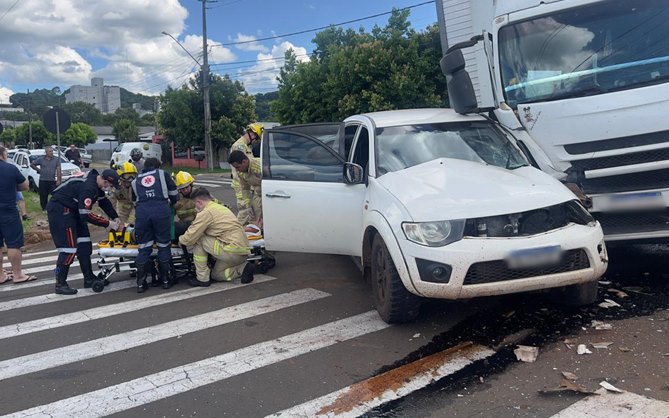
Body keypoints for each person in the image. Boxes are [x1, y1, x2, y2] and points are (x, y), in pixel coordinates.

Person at [47, 169, 122, 295]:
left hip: (74, 210)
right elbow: (86, 215)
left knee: (85, 243)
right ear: (104, 181)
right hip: (61, 210)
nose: (109, 187)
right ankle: (60, 283)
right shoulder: (89, 187)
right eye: (109, 185)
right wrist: (108, 223)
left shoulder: (96, 183)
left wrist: (115, 217)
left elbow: (104, 202)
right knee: (68, 249)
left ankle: (89, 278)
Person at [179, 187, 254, 286]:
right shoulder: (220, 208)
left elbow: (190, 237)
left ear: (199, 202)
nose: (196, 207)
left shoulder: (206, 212)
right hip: (242, 252)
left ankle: (202, 278)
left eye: (195, 204)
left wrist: (180, 240)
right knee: (216, 275)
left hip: (231, 251)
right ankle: (242, 269)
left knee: (198, 239)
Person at [132, 157, 179, 293]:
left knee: (144, 247)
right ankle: (165, 280)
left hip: (142, 214)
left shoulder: (136, 181)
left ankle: (140, 284)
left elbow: (134, 201)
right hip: (160, 211)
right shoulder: (162, 174)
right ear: (158, 166)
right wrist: (172, 202)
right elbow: (174, 193)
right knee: (163, 245)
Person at [0, 146, 35, 285]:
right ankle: (17, 274)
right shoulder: (10, 168)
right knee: (13, 244)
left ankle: (1, 275)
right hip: (8, 210)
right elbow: (25, 186)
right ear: (3, 155)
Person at [227, 150, 262, 227]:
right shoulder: (241, 172)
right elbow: (245, 188)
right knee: (255, 218)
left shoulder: (259, 166)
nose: (237, 170)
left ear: (244, 161)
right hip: (258, 194)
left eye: (237, 167)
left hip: (269, 192)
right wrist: (248, 205)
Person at [31, 147, 62, 211]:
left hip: (52, 180)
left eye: (52, 151)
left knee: (55, 194)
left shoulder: (56, 159)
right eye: (50, 151)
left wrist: (59, 180)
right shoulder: (41, 159)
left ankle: (54, 207)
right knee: (43, 195)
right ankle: (44, 208)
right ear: (46, 152)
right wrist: (39, 170)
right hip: (43, 180)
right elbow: (32, 165)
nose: (52, 152)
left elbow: (59, 170)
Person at [173, 171, 196, 238]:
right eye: (183, 189)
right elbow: (169, 215)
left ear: (191, 185)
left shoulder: (199, 194)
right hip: (184, 227)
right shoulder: (177, 199)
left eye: (187, 187)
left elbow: (214, 203)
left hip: (199, 226)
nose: (185, 190)